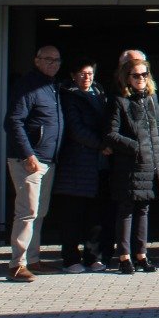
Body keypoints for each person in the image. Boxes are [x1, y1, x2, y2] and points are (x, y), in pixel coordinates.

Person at [4, 44, 65, 281]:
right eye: (48, 59)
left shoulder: (52, 87)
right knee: (27, 212)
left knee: (39, 212)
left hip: (48, 159)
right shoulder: (28, 86)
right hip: (29, 160)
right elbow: (13, 122)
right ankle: (17, 264)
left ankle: (34, 259)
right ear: (36, 60)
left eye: (57, 60)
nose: (53, 64)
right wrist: (28, 155)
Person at [105, 57, 159, 274]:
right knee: (126, 209)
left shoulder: (151, 99)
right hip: (129, 164)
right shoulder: (119, 101)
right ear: (126, 77)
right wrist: (135, 146)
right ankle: (124, 256)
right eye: (136, 75)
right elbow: (111, 134)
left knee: (144, 208)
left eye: (144, 74)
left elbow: (158, 127)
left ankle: (142, 254)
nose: (141, 79)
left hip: (150, 162)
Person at [52, 58, 112, 273]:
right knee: (72, 215)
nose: (87, 77)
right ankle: (70, 259)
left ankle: (93, 256)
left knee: (95, 216)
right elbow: (75, 129)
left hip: (97, 165)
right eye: (83, 73)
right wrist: (101, 145)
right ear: (73, 75)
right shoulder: (68, 96)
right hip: (76, 165)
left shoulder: (100, 94)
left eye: (90, 73)